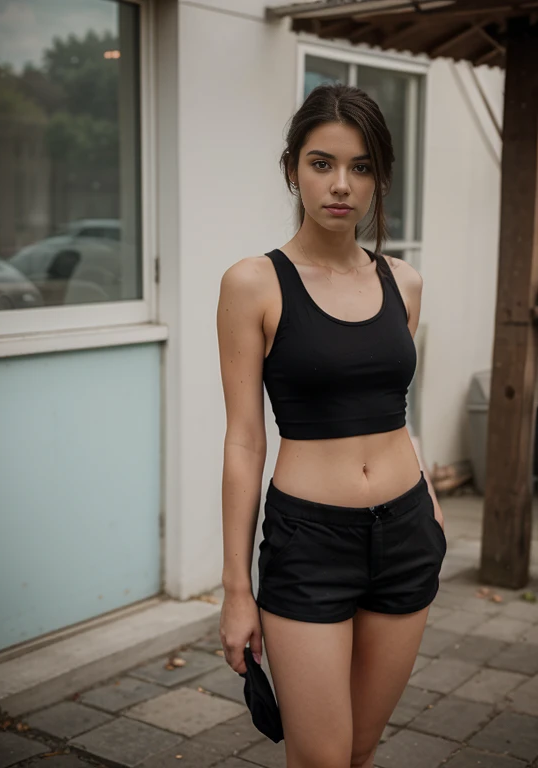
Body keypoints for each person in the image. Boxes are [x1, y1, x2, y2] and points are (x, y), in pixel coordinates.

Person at [216, 83, 447, 768]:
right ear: (293, 169)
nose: (341, 184)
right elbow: (243, 440)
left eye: (362, 166)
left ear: (380, 177)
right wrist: (236, 591)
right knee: (322, 758)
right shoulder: (253, 283)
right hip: (309, 544)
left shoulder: (403, 282)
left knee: (362, 749)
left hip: (406, 535)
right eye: (322, 163)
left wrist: (427, 491)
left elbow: (392, 402)